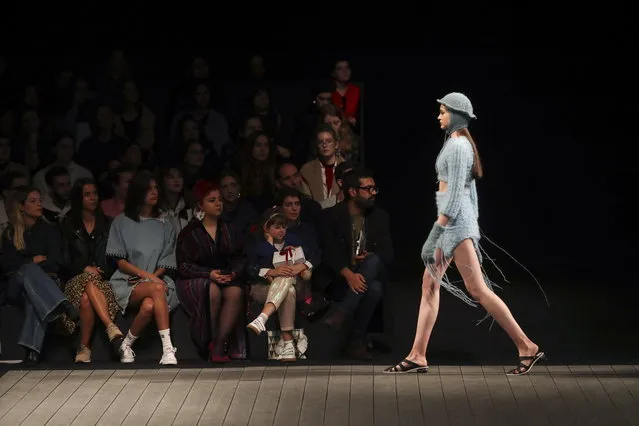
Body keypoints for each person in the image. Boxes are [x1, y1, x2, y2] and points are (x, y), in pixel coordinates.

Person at [385, 92, 545, 376]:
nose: (439, 115)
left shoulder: (459, 147)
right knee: (430, 284)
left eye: (443, 111)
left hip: (455, 226)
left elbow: (457, 196)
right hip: (454, 224)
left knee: (477, 289)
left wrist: (437, 232)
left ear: (456, 115)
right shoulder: (454, 144)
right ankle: (418, 354)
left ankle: (527, 346)